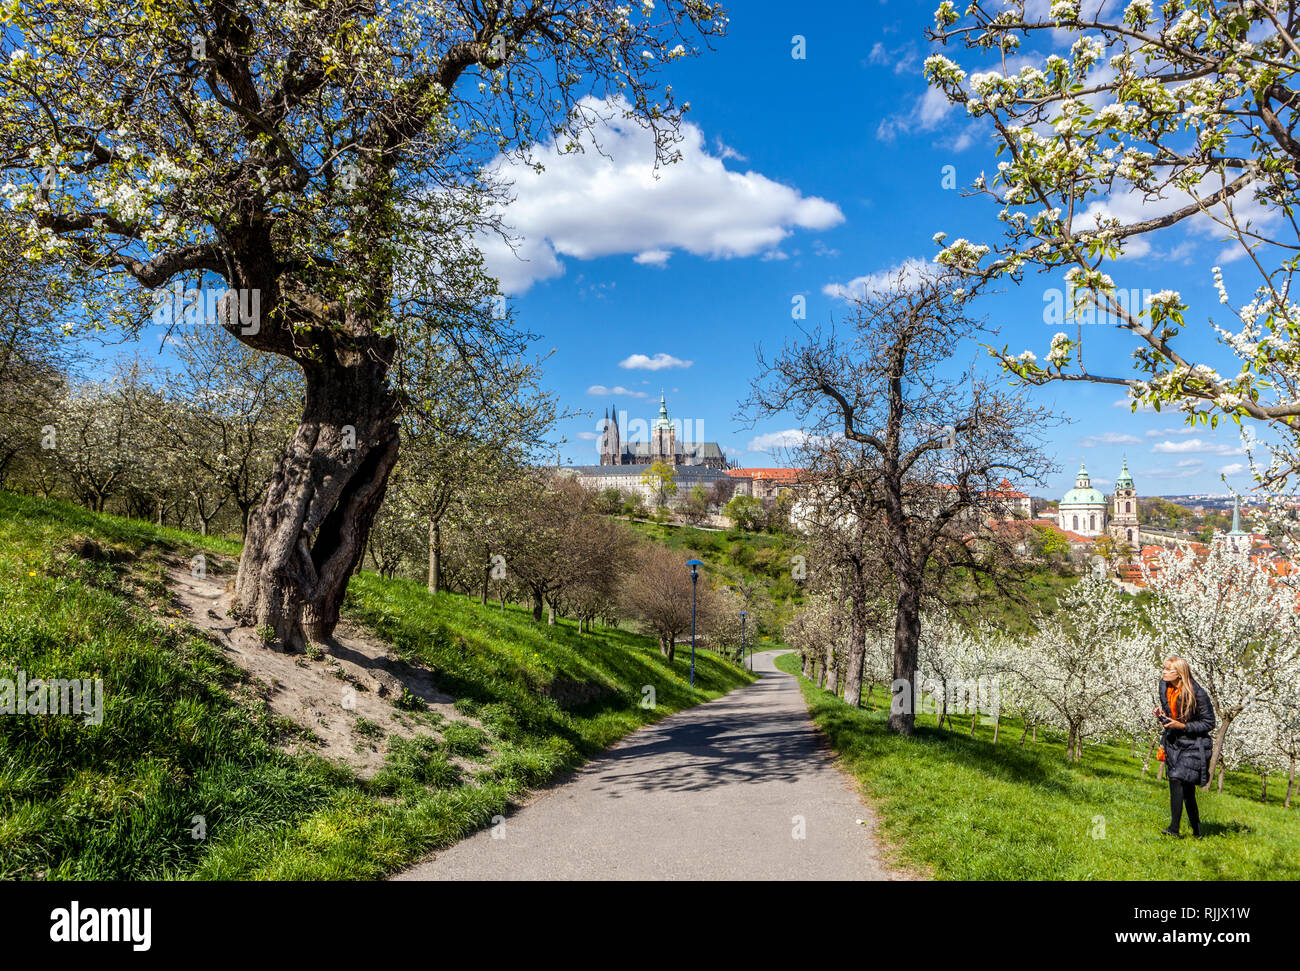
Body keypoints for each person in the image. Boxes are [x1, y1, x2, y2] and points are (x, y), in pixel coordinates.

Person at [1153, 656, 1215, 838]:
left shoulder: (1198, 693)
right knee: (1187, 790)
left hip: (1195, 744)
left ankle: (1174, 828)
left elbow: (1209, 723)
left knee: (1176, 777)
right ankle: (1197, 832)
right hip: (1174, 742)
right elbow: (1173, 715)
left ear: (1179, 674)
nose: (1164, 672)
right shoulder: (1164, 686)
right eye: (1163, 668)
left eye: (1168, 669)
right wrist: (1162, 716)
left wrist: (1183, 726)